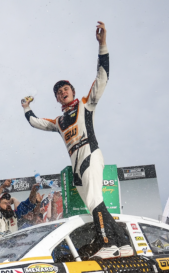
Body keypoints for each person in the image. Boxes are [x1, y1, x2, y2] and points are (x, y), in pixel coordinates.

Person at [21, 22, 132, 260]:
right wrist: (26, 108)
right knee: (96, 204)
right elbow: (36, 123)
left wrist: (102, 45)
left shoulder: (85, 103)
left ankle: (108, 243)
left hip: (90, 154)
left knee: (94, 201)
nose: (62, 92)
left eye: (65, 88)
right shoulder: (59, 121)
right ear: (58, 98)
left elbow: (102, 78)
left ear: (72, 90)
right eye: (58, 92)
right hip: (75, 163)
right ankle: (123, 244)